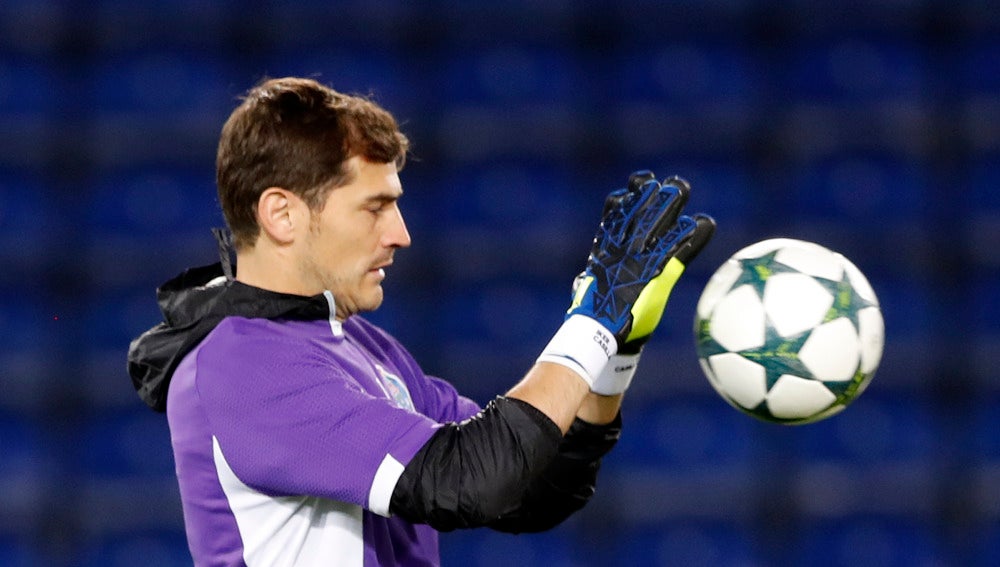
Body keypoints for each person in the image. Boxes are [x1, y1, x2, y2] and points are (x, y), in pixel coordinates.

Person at [127, 76, 715, 566]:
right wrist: (591, 319)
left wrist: (616, 346)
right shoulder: (241, 365)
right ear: (282, 214)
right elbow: (471, 480)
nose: (400, 234)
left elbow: (531, 489)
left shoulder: (359, 344)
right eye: (375, 207)